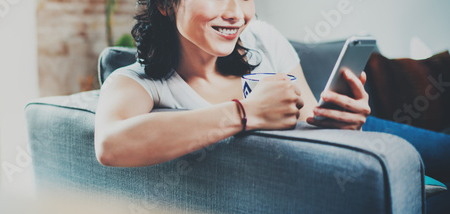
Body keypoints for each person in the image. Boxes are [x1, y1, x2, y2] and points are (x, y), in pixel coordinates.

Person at [94, 0, 449, 183]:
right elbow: (110, 145)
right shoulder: (140, 82)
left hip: (364, 139)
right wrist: (244, 113)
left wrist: (340, 122)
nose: (237, 14)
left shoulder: (262, 37)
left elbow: (309, 117)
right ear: (165, 4)